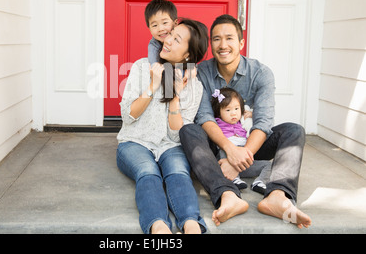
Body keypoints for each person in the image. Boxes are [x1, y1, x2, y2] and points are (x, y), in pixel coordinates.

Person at [179, 14, 312, 229]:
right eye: (216, 39)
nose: (223, 45)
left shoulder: (261, 73)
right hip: (218, 147)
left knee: (294, 130)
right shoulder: (203, 72)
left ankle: (277, 196)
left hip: (251, 144)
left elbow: (263, 122)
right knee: (189, 130)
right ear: (211, 43)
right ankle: (227, 195)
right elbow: (204, 117)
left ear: (241, 43)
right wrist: (230, 150)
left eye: (229, 38)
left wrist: (239, 158)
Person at [117, 18, 209, 234]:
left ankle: (192, 226)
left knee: (178, 172)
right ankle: (159, 229)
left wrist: (175, 96)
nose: (167, 40)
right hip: (135, 142)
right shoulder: (142, 67)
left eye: (177, 39)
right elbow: (128, 116)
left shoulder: (194, 86)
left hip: (170, 146)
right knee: (148, 171)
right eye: (171, 34)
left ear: (188, 54)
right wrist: (153, 85)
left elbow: (177, 137)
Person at [211, 87, 271, 195]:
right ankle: (234, 179)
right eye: (228, 110)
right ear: (219, 113)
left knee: (268, 165)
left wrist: (252, 115)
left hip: (243, 161)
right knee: (223, 150)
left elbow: (258, 125)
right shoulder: (217, 123)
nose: (233, 113)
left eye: (236, 109)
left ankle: (260, 182)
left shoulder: (243, 122)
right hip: (226, 160)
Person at [145, 0, 178, 66]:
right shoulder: (154, 45)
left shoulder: (182, 38)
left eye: (165, 23)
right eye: (154, 25)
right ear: (149, 29)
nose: (160, 29)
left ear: (175, 23)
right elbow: (154, 66)